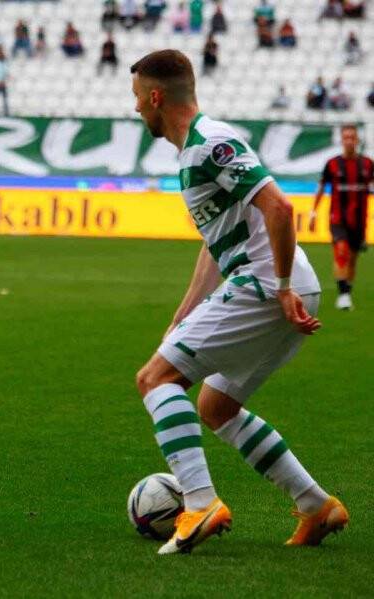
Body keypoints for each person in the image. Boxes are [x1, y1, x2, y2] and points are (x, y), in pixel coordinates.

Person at [129, 49, 347, 555]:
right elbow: (216, 243)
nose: (136, 108)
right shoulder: (191, 156)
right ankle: (316, 505)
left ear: (157, 96)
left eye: (138, 97)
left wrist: (283, 285)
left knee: (155, 379)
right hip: (270, 282)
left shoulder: (213, 142)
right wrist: (183, 313)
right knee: (216, 404)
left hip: (266, 283)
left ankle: (200, 502)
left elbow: (279, 205)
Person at [310, 125, 373, 310]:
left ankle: (347, 292)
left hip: (359, 220)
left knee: (352, 259)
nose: (349, 141)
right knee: (342, 251)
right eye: (346, 137)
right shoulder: (332, 164)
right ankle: (343, 295)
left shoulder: (368, 164)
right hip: (338, 218)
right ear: (341, 140)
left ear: (357, 140)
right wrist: (313, 212)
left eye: (352, 137)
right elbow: (321, 187)